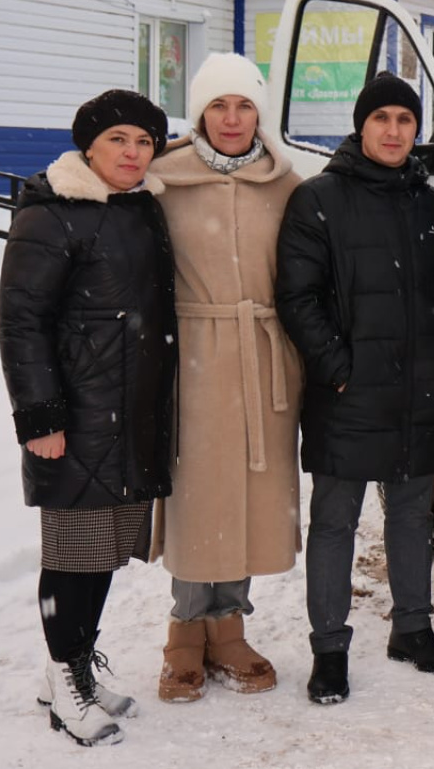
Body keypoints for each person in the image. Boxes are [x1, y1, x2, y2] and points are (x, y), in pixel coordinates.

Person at [276, 74, 434, 704]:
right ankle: (330, 648)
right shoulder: (318, 200)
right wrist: (339, 368)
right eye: (381, 118)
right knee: (335, 520)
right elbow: (298, 297)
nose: (393, 131)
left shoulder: (432, 207)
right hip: (349, 392)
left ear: (417, 130)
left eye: (405, 120)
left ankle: (413, 629)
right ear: (361, 126)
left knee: (412, 514)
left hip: (421, 390)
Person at [0, 89, 177, 746]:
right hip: (76, 417)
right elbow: (21, 322)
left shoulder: (141, 207)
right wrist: (40, 415)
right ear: (88, 147)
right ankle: (63, 681)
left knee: (101, 554)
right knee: (73, 555)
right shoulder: (52, 212)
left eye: (144, 141)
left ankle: (70, 668)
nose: (132, 153)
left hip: (129, 417)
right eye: (117, 140)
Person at [147, 54, 302, 703]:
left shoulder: (286, 183)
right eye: (218, 105)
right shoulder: (162, 179)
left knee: (252, 498)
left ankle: (229, 627)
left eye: (243, 106)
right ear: (200, 113)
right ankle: (185, 632)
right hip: (192, 358)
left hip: (264, 354)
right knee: (197, 498)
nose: (232, 119)